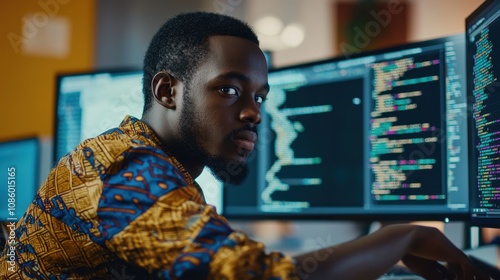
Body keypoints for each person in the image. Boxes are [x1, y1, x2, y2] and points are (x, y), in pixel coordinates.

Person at [0, 12, 490, 280]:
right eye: (229, 90)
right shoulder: (132, 174)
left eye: (259, 96)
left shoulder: (138, 157)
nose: (254, 112)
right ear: (168, 91)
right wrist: (401, 237)